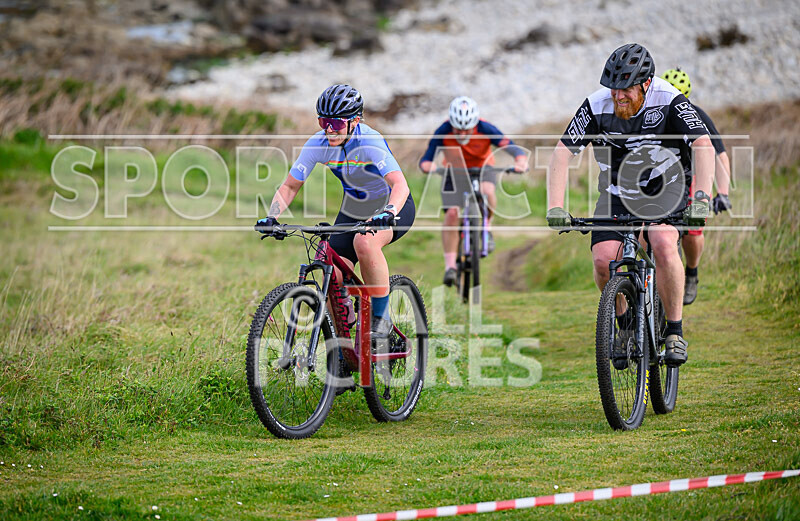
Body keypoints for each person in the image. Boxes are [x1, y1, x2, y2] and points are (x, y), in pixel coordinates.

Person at [545, 43, 715, 366]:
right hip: (617, 189)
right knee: (603, 260)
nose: (618, 96)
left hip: (665, 185)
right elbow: (562, 153)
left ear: (646, 84)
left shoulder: (669, 100)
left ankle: (674, 332)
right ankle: (624, 326)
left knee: (663, 241)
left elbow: (703, 145)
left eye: (626, 90)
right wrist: (555, 205)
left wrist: (703, 198)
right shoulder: (596, 106)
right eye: (613, 89)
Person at [255, 84, 415, 340]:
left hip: (393, 205)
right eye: (323, 121)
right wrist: (271, 216)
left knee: (365, 243)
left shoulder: (369, 141)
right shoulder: (317, 144)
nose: (329, 129)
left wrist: (389, 211)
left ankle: (380, 318)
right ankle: (341, 346)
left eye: (337, 123)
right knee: (329, 264)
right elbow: (289, 186)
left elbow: (400, 184)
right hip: (354, 208)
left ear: (355, 121)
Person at [419, 96, 528, 286]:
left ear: (475, 123)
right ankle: (450, 267)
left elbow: (511, 147)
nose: (461, 133)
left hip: (483, 169)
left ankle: (488, 226)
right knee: (452, 213)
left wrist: (520, 160)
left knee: (487, 191)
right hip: (453, 172)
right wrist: (429, 166)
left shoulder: (486, 128)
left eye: (466, 129)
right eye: (457, 129)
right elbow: (427, 158)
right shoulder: (443, 130)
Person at [661, 67, 733, 305]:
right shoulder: (654, 115)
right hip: (663, 181)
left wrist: (722, 193)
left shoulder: (698, 116)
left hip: (693, 179)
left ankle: (691, 272)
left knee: (692, 231)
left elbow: (720, 156)